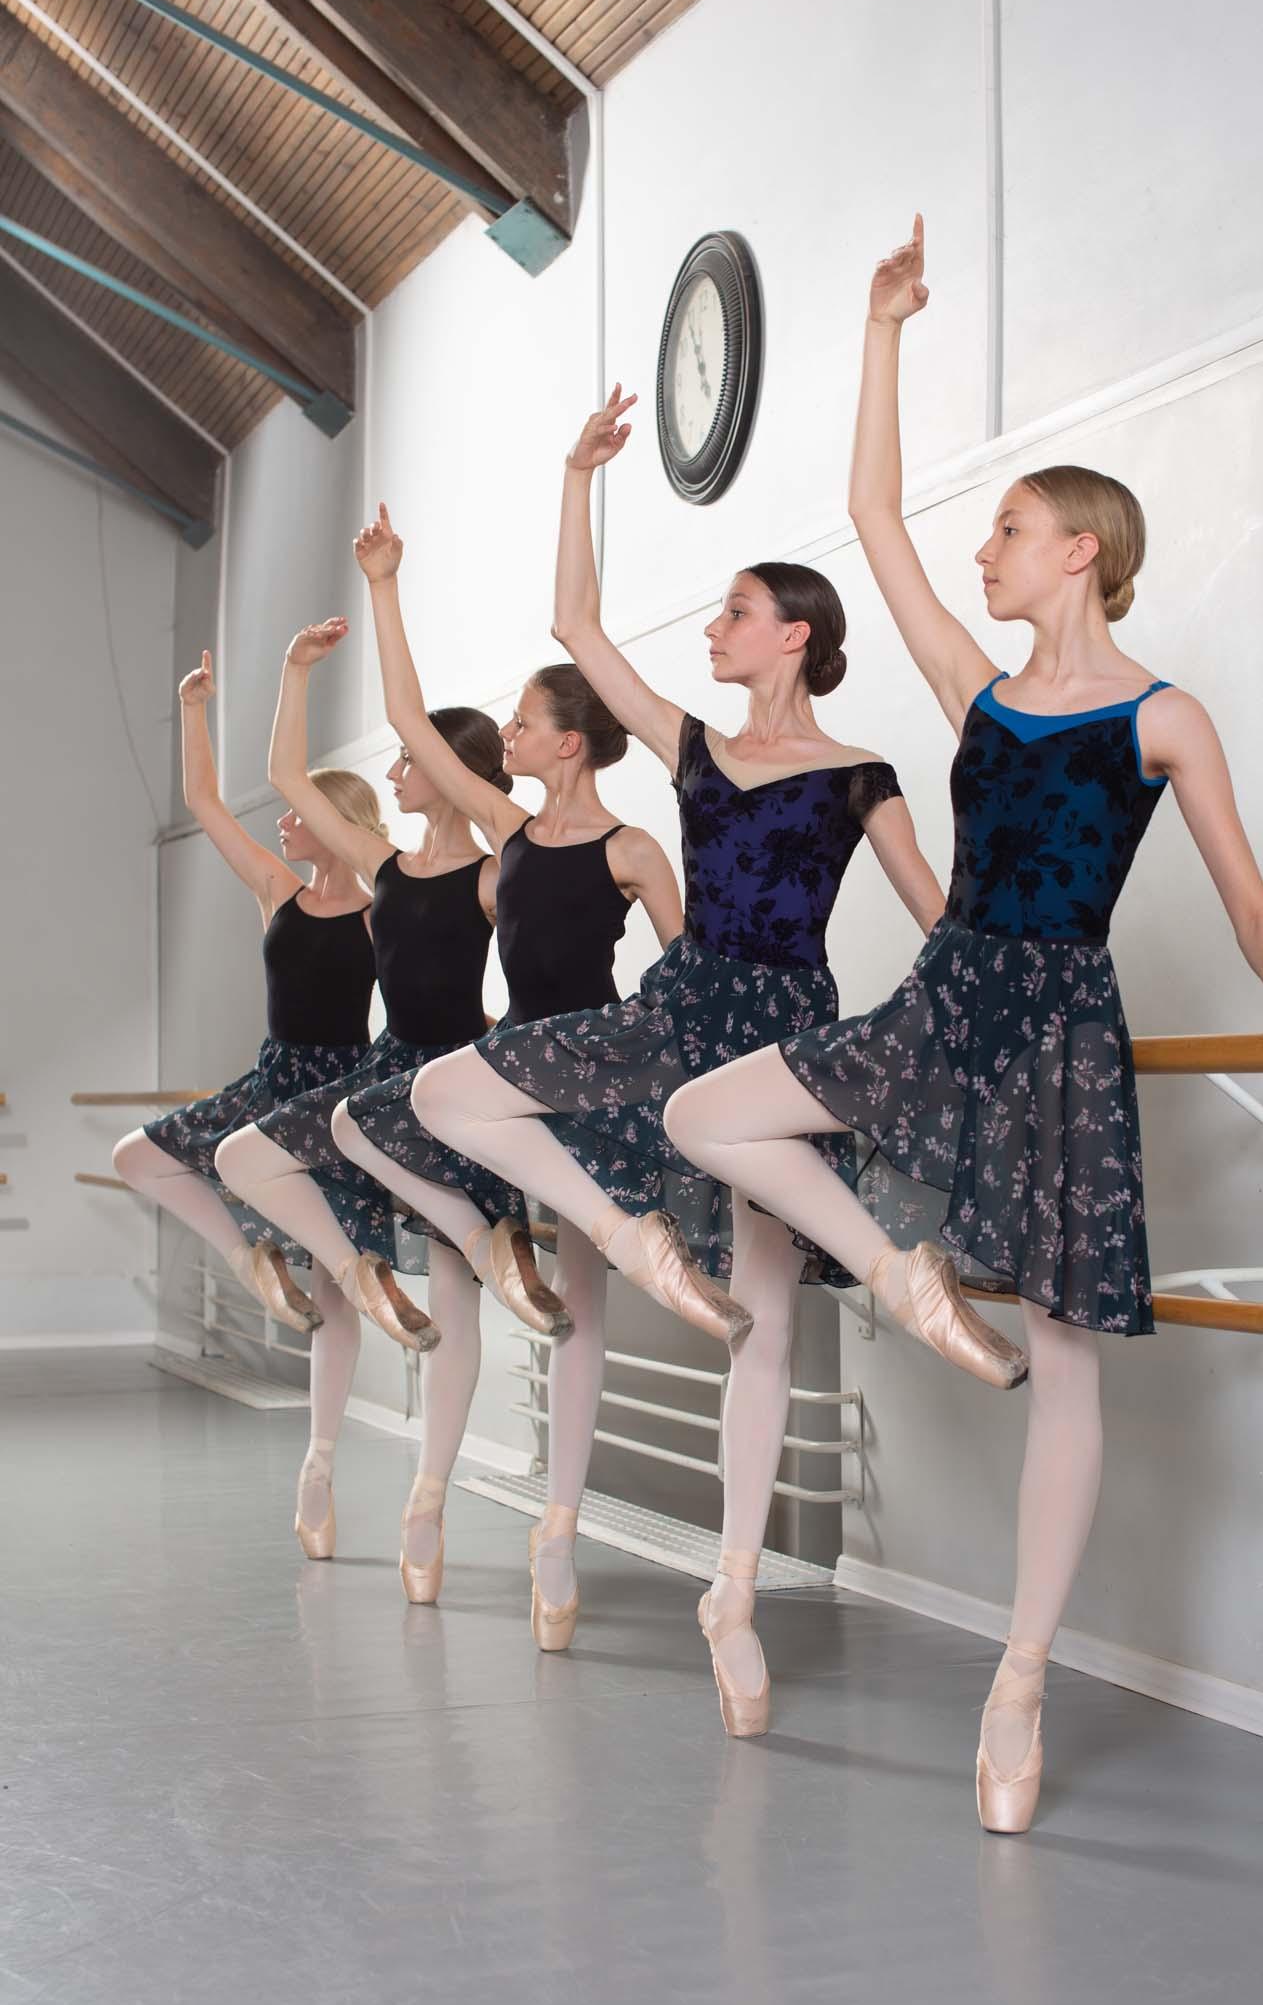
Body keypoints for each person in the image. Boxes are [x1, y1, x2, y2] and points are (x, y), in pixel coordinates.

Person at [660, 219, 1263, 1827]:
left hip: (1058, 1024)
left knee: (1063, 1353)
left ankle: (1019, 1679)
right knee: (705, 1111)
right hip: (947, 990)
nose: (985, 551)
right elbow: (874, 516)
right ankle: (897, 1270)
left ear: (1078, 551)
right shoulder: (974, 691)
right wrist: (881, 330)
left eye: (1011, 531)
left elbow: (1246, 892)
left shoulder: (1162, 717)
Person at [411, 387, 954, 1677]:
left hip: (782, 1036)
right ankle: (623, 1233)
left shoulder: (860, 773)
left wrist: (977, 1031)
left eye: (734, 611)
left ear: (794, 635)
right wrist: (577, 476)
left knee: (762, 1318)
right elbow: (576, 626)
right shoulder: (693, 745)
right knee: (447, 1091)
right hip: (680, 1007)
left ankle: (734, 1594)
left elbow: (939, 919)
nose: (714, 626)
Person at [328, 504, 681, 1620]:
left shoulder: (634, 848)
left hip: (595, 1075)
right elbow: (407, 718)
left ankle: (557, 1531)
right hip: (510, 1070)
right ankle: (490, 1255)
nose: (509, 736)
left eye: (524, 723)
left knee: (580, 1311)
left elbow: (690, 978)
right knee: (373, 1122)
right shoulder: (507, 832)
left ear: (567, 742)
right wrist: (385, 585)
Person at [215, 615, 509, 1591]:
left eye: (409, 759)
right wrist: (294, 669)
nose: (393, 771)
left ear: (448, 769)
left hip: (455, 1080)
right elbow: (287, 777)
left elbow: (543, 964)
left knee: (458, 1300)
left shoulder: (495, 872)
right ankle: (358, 1278)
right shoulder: (384, 866)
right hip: (386, 1076)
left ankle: (427, 1503)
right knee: (246, 1154)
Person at [113, 647, 378, 1338]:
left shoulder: (379, 913)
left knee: (334, 1281)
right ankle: (249, 1258)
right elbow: (205, 802)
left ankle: (325, 1410)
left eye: (296, 813)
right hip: (273, 1077)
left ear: (330, 819)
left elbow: (426, 996)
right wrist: (191, 709)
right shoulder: (277, 889)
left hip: (340, 1087)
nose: (282, 822)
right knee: (136, 1157)